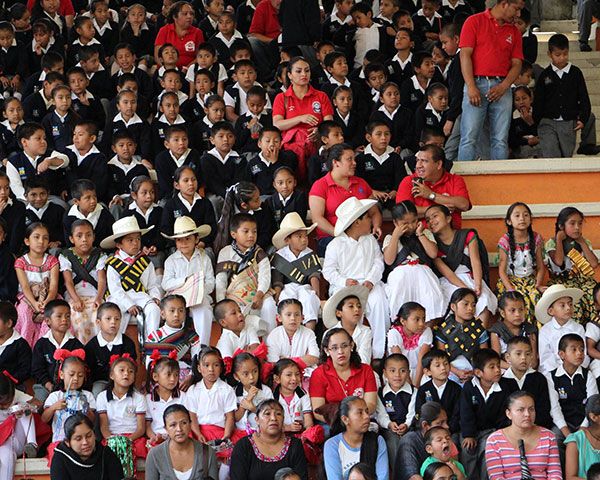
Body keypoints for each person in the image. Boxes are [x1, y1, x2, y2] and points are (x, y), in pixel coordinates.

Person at [322, 196, 390, 360]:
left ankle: (378, 354)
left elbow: (378, 262)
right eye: (367, 217)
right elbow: (328, 271)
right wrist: (344, 281)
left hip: (369, 284)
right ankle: (350, 352)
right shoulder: (336, 245)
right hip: (344, 287)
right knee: (350, 309)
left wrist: (371, 280)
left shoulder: (370, 241)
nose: (370, 220)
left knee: (379, 302)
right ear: (356, 222)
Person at [457, 0, 524, 161]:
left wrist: (504, 86)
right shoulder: (474, 21)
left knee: (500, 139)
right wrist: (471, 86)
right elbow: (464, 55)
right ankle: (463, 181)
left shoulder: (514, 31)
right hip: (477, 82)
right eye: (516, 9)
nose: (518, 14)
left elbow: (517, 63)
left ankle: (498, 182)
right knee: (469, 136)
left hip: (503, 86)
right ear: (504, 4)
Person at [309, 144, 382, 256]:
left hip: (361, 237)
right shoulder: (320, 185)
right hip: (331, 238)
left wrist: (376, 226)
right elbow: (317, 218)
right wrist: (338, 234)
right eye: (349, 159)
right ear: (335, 162)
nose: (354, 163)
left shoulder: (361, 182)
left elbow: (374, 211)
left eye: (354, 159)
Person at [459, 349, 519, 480]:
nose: (498, 370)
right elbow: (465, 412)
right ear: (478, 372)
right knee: (467, 450)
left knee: (488, 449)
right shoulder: (469, 387)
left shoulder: (507, 386)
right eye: (492, 367)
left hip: (496, 430)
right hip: (474, 431)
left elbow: (508, 414)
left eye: (498, 365)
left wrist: (498, 433)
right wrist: (469, 435)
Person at [272, 56, 334, 181]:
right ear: (289, 75)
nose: (304, 74)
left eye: (307, 70)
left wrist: (319, 131)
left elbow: (329, 123)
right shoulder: (281, 97)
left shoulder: (321, 96)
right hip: (291, 149)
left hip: (317, 145)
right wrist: (300, 118)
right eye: (298, 71)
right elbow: (277, 124)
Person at [485, 391, 562, 480]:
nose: (527, 414)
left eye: (531, 409)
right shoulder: (495, 440)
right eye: (521, 410)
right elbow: (496, 477)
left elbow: (555, 474)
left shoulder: (548, 436)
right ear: (508, 413)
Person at [309, 328, 378, 423]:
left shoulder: (366, 370)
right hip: (332, 422)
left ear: (352, 346)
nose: (340, 351)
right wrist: (342, 422)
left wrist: (353, 420)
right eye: (334, 348)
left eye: (344, 346)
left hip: (360, 420)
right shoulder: (318, 374)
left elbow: (371, 404)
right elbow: (317, 411)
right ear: (326, 351)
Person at [544, 206, 598, 324]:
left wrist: (582, 242)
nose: (577, 227)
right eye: (572, 224)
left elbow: (594, 264)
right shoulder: (552, 242)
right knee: (573, 300)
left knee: (592, 292)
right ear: (561, 226)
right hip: (561, 282)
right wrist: (559, 239)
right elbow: (558, 262)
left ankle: (592, 327)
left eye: (580, 224)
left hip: (581, 280)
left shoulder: (584, 242)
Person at [396, 145, 471, 228]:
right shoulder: (408, 181)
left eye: (424, 161)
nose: (418, 165)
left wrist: (431, 195)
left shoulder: (455, 180)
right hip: (418, 236)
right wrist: (441, 209)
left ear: (439, 164)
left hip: (450, 237)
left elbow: (464, 205)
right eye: (417, 160)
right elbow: (403, 213)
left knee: (471, 235)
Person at [230, 399, 308, 480]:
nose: (273, 418)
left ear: (283, 419)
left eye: (278, 414)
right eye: (267, 414)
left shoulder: (295, 445)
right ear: (257, 420)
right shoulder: (243, 446)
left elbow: (302, 477)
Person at [144, 404, 219, 480]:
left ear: (190, 424)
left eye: (184, 423)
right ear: (166, 428)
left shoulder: (207, 452)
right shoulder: (155, 454)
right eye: (173, 425)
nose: (179, 429)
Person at [324, 396, 389, 480]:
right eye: (360, 413)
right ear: (345, 419)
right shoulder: (332, 445)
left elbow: (383, 477)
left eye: (367, 411)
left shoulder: (377, 441)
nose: (367, 417)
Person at [50, 413, 124, 480]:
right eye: (78, 439)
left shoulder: (106, 454)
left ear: (94, 434)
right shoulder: (60, 458)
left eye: (89, 436)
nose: (85, 442)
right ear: (67, 442)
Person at [537, 284, 587, 374]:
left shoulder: (578, 329)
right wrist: (560, 372)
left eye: (570, 304)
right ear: (551, 311)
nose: (568, 308)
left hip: (576, 370)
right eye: (562, 305)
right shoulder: (545, 331)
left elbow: (584, 354)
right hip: (552, 372)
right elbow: (545, 358)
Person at [395, 401, 450, 480]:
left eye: (446, 422)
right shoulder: (408, 441)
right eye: (440, 423)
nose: (446, 426)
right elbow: (413, 477)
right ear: (425, 425)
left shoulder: (444, 440)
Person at [154, 1, 204, 69]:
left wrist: (187, 69)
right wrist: (171, 70)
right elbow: (157, 56)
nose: (189, 16)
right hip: (167, 72)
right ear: (175, 16)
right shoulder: (164, 30)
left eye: (191, 14)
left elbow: (200, 56)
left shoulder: (198, 32)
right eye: (185, 14)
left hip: (190, 72)